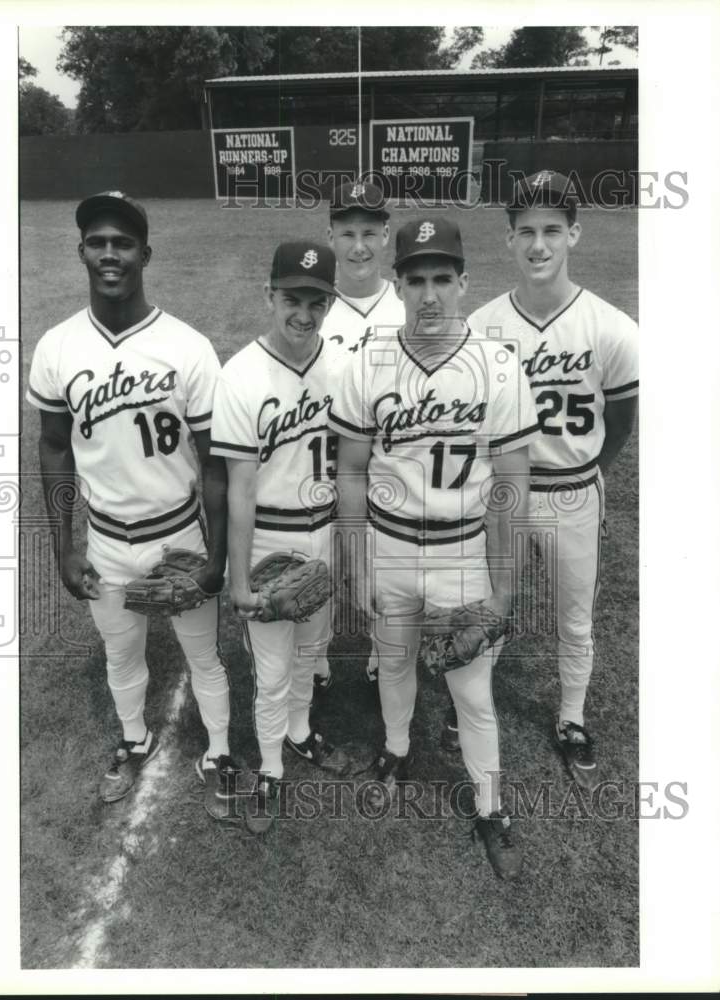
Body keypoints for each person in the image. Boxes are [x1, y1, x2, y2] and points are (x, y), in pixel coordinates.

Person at [330, 216, 540, 879]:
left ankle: (488, 804)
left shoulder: (497, 364)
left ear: (462, 283)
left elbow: (509, 479)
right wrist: (356, 556)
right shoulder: (367, 361)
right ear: (396, 283)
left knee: (470, 691)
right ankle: (394, 749)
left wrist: (501, 586)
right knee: (391, 664)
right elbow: (352, 470)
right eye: (414, 279)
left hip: (462, 553)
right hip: (390, 546)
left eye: (441, 280)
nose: (428, 294)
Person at [26, 191, 240, 816]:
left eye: (122, 242)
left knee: (204, 653)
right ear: (81, 252)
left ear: (145, 252)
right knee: (122, 653)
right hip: (107, 540)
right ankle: (132, 738)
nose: (109, 254)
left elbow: (216, 463)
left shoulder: (188, 346)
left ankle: (221, 751)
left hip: (178, 534)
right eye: (97, 242)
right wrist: (65, 546)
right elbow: (53, 447)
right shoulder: (58, 347)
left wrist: (217, 558)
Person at [442, 170, 639, 791]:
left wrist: (593, 481)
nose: (539, 244)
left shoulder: (612, 327)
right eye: (526, 231)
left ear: (574, 234)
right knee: (492, 601)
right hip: (501, 492)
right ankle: (471, 702)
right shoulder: (479, 326)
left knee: (574, 618)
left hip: (573, 487)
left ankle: (572, 717)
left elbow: (623, 419)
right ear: (508, 240)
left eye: (552, 230)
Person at [211, 240, 350, 834]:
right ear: (269, 295)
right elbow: (239, 488)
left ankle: (298, 732)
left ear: (331, 303)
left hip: (325, 534)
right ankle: (270, 767)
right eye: (293, 298)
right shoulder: (241, 374)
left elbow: (354, 468)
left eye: (317, 301)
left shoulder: (344, 367)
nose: (304, 312)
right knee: (271, 670)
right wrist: (237, 579)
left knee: (313, 652)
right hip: (271, 536)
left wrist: (350, 550)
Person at [321, 179, 405, 691]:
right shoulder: (313, 311)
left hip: (392, 469)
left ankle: (381, 652)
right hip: (323, 464)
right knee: (321, 566)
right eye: (347, 232)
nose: (358, 246)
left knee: (385, 574)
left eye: (370, 233)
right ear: (328, 235)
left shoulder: (409, 309)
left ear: (387, 235)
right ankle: (314, 659)